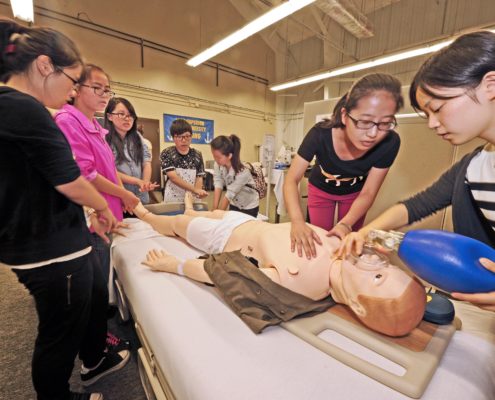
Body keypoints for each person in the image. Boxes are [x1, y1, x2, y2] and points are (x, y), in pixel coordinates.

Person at [0, 19, 129, 400]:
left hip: (37, 242)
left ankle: (87, 365)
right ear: (44, 66)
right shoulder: (26, 110)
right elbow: (71, 178)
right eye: (73, 80)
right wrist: (100, 208)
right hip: (50, 249)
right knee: (58, 336)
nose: (72, 89)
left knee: (66, 324)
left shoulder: (15, 108)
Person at [338, 31, 495, 312]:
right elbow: (416, 206)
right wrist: (366, 233)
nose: (433, 124)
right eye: (427, 116)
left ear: (490, 85)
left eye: (438, 108)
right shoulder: (473, 167)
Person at [133, 193, 426, 337]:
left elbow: (221, 273)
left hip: (223, 238)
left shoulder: (300, 281)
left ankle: (144, 216)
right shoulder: (347, 251)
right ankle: (191, 211)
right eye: (388, 268)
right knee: (210, 212)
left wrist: (175, 265)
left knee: (178, 224)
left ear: (358, 306)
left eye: (377, 277)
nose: (376, 261)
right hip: (250, 222)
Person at [284, 73, 404, 259]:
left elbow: (368, 193)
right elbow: (291, 179)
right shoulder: (320, 134)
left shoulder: (390, 142)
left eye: (385, 123)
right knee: (318, 241)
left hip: (355, 193)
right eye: (364, 122)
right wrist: (297, 221)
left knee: (349, 242)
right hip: (321, 189)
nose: (373, 134)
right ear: (345, 116)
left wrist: (346, 224)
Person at [55, 65, 140, 283]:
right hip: (92, 216)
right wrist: (123, 194)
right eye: (96, 88)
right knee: (96, 281)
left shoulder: (95, 126)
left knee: (107, 272)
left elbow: (110, 170)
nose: (104, 95)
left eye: (107, 90)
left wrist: (120, 195)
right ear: (76, 89)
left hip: (108, 211)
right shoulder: (68, 121)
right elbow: (86, 174)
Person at [104, 97, 158, 207]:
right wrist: (137, 181)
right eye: (121, 114)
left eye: (130, 115)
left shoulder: (137, 137)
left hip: (141, 197)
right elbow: (109, 170)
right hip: (120, 198)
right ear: (110, 116)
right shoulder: (104, 139)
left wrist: (145, 183)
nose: (127, 118)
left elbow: (146, 162)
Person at [210, 134, 259, 217]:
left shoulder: (243, 172)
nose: (215, 159)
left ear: (229, 155)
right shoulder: (217, 164)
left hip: (249, 206)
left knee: (244, 229)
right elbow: (218, 183)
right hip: (234, 203)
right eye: (214, 156)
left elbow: (229, 194)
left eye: (218, 157)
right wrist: (214, 209)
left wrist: (217, 216)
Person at [160, 118, 208, 202]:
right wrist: (195, 190)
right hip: (173, 197)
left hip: (193, 196)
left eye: (187, 136)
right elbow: (174, 178)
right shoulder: (167, 153)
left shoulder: (197, 154)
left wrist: (198, 193)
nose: (184, 140)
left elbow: (199, 176)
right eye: (179, 137)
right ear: (173, 137)